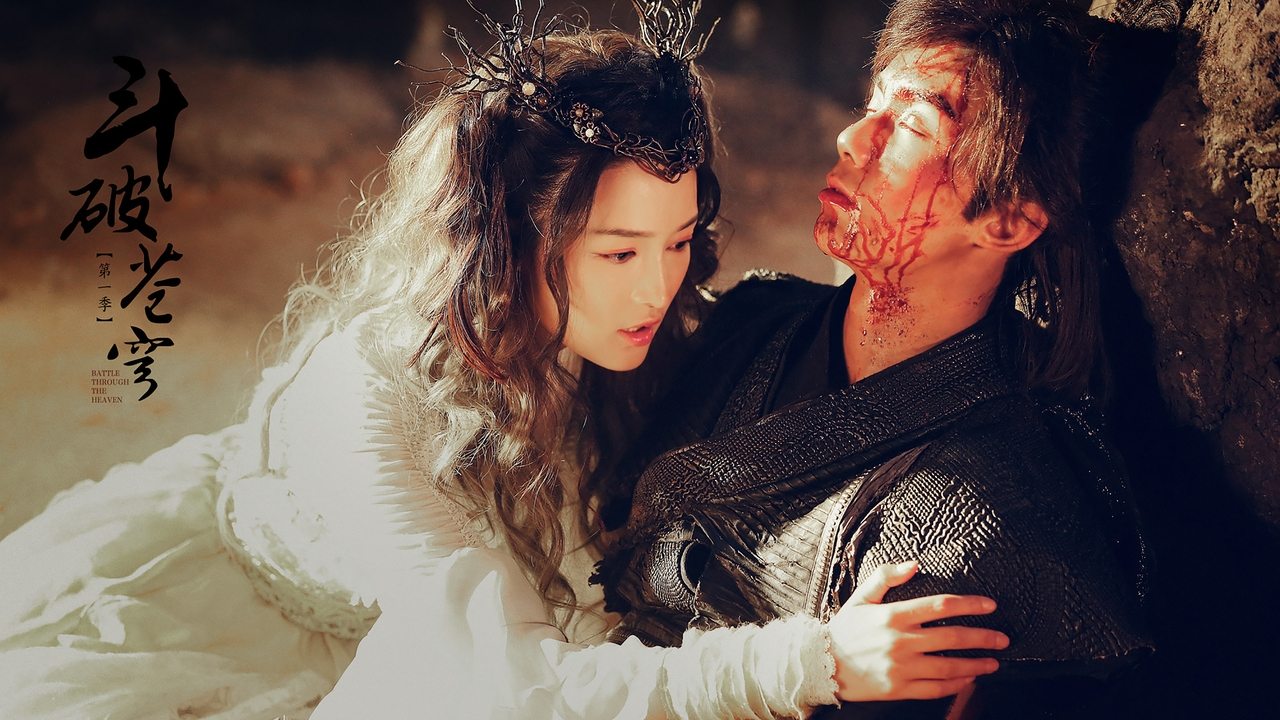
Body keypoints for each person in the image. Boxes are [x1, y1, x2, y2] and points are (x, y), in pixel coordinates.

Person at [0, 2, 1009, 719]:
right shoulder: (365, 402)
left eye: (677, 242)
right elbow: (518, 691)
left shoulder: (633, 327)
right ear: (504, 244)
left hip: (474, 648)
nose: (656, 290)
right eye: (617, 254)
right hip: (229, 635)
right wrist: (814, 662)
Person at [596, 0, 1154, 717]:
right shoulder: (750, 320)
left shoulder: (989, 521)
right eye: (871, 104)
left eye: (913, 126)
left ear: (1008, 221)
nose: (853, 137)